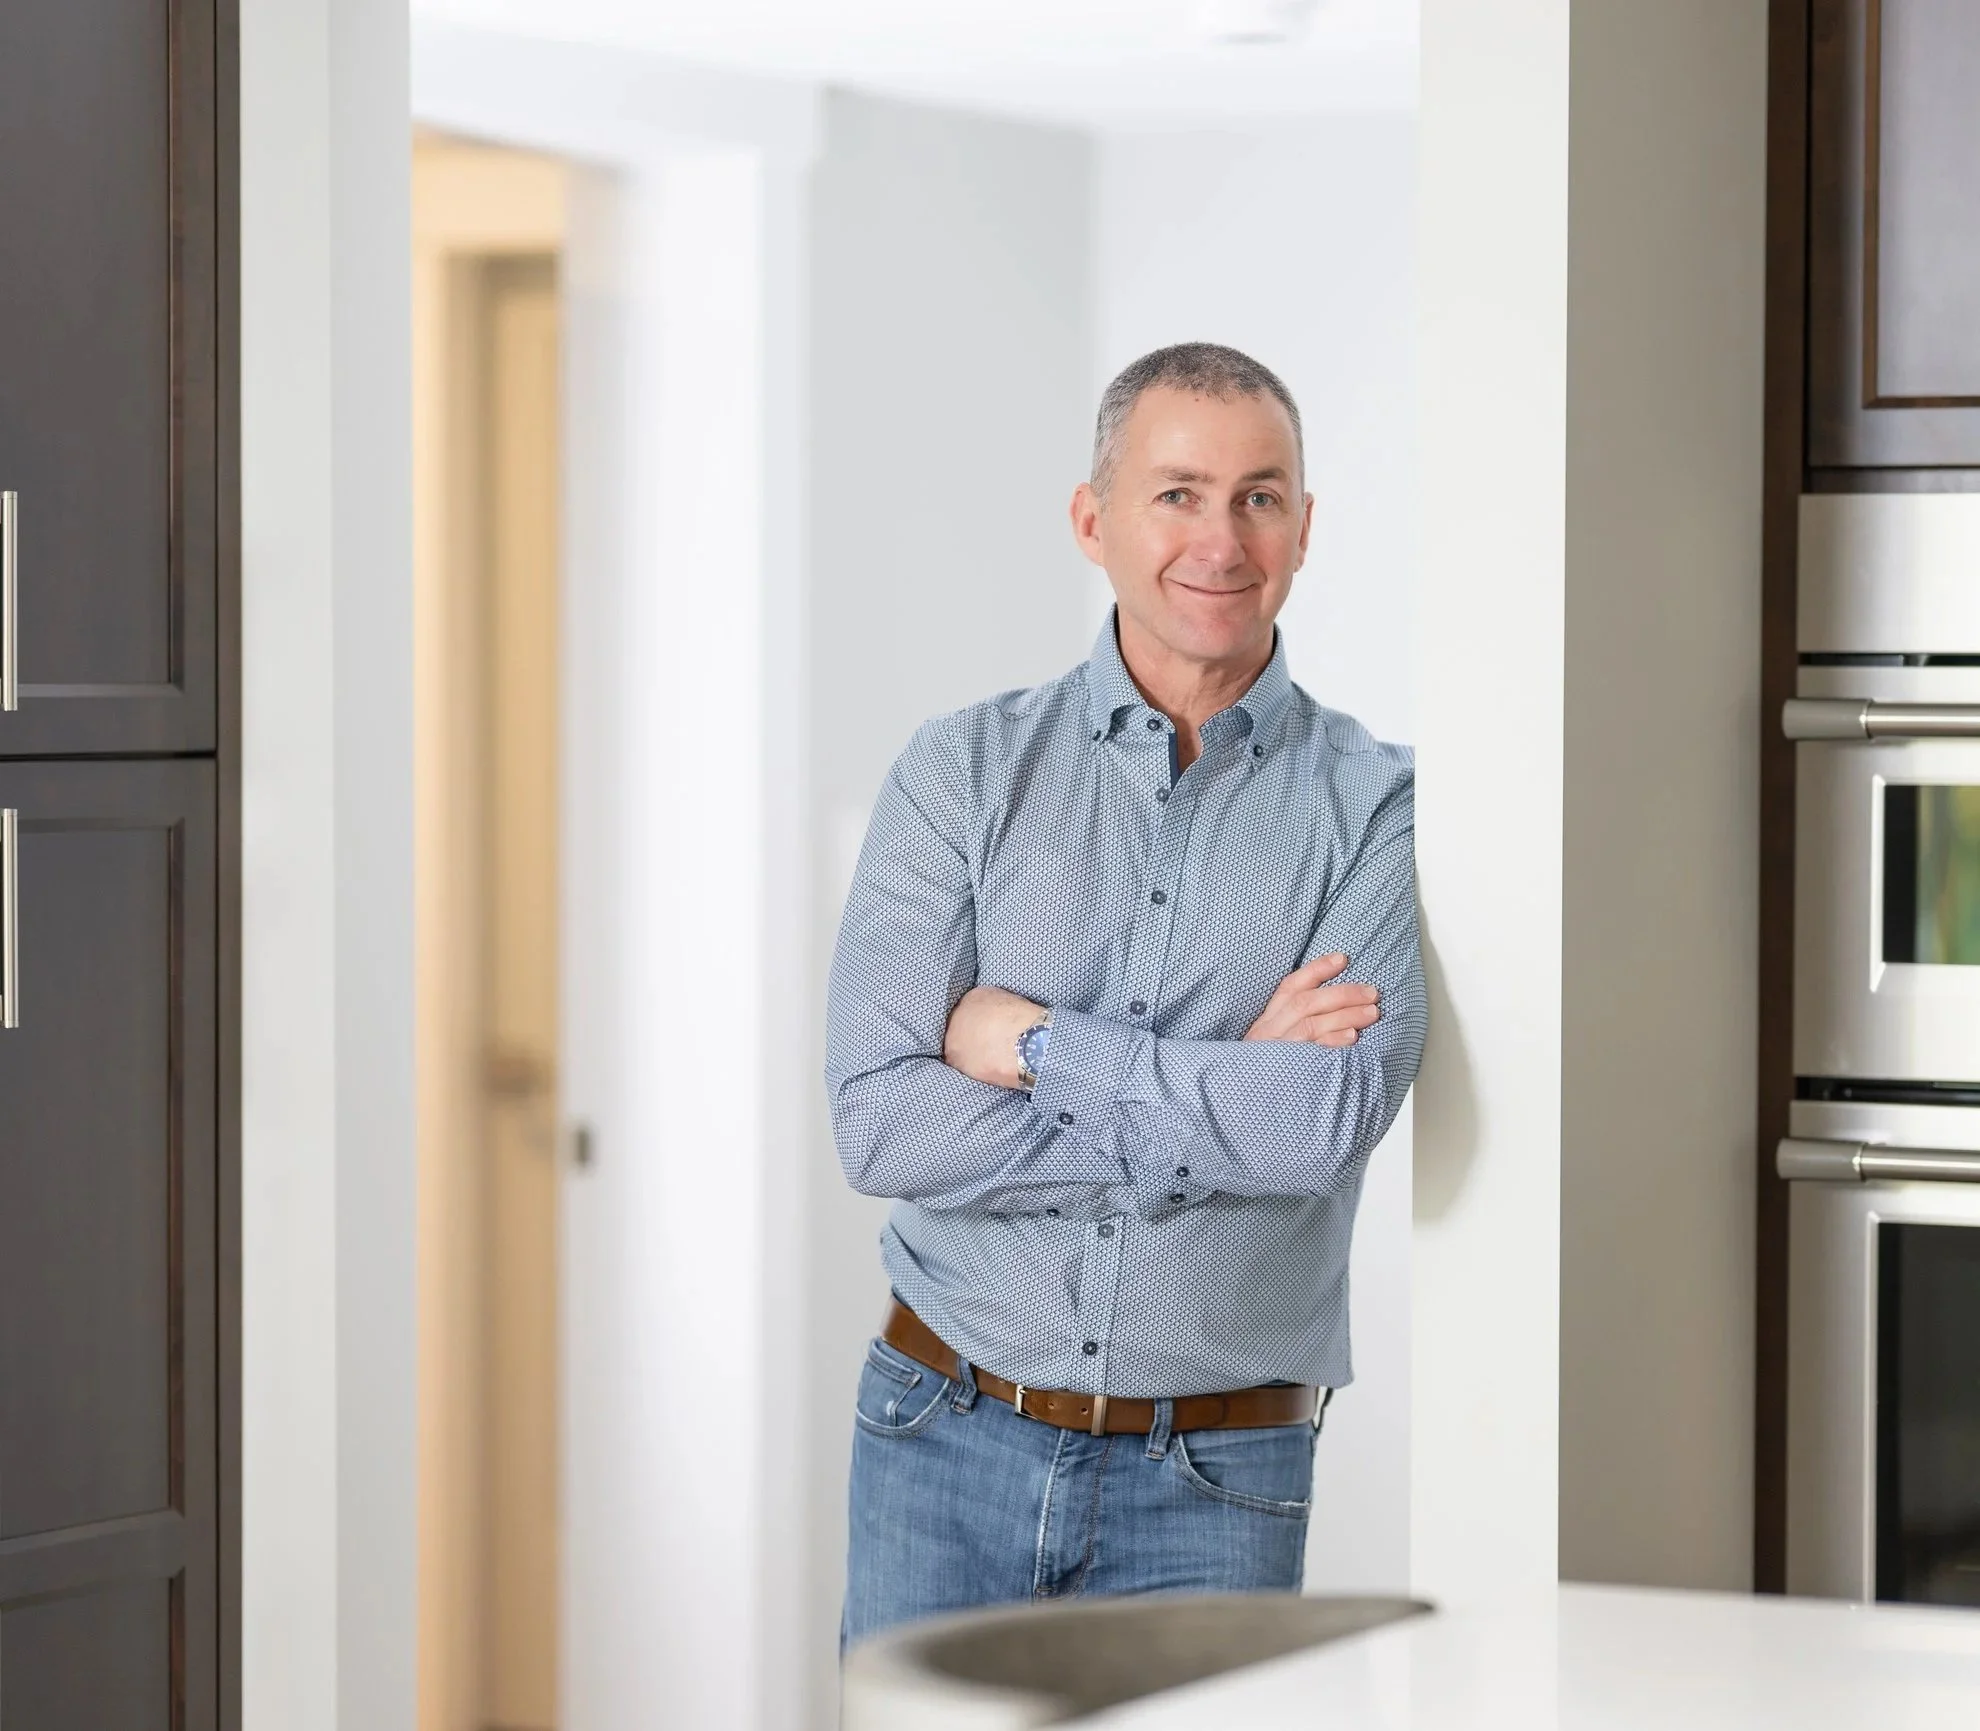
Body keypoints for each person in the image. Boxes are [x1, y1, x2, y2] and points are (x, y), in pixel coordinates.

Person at [824, 342, 1425, 1650]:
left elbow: (1326, 1120)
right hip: (939, 1435)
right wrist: (1222, 1077)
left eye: (1260, 496)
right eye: (1178, 493)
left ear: (1306, 528)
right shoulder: (960, 775)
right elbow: (878, 1124)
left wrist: (1029, 1043)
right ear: (1093, 519)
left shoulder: (1378, 801)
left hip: (1214, 1482)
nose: (1221, 537)